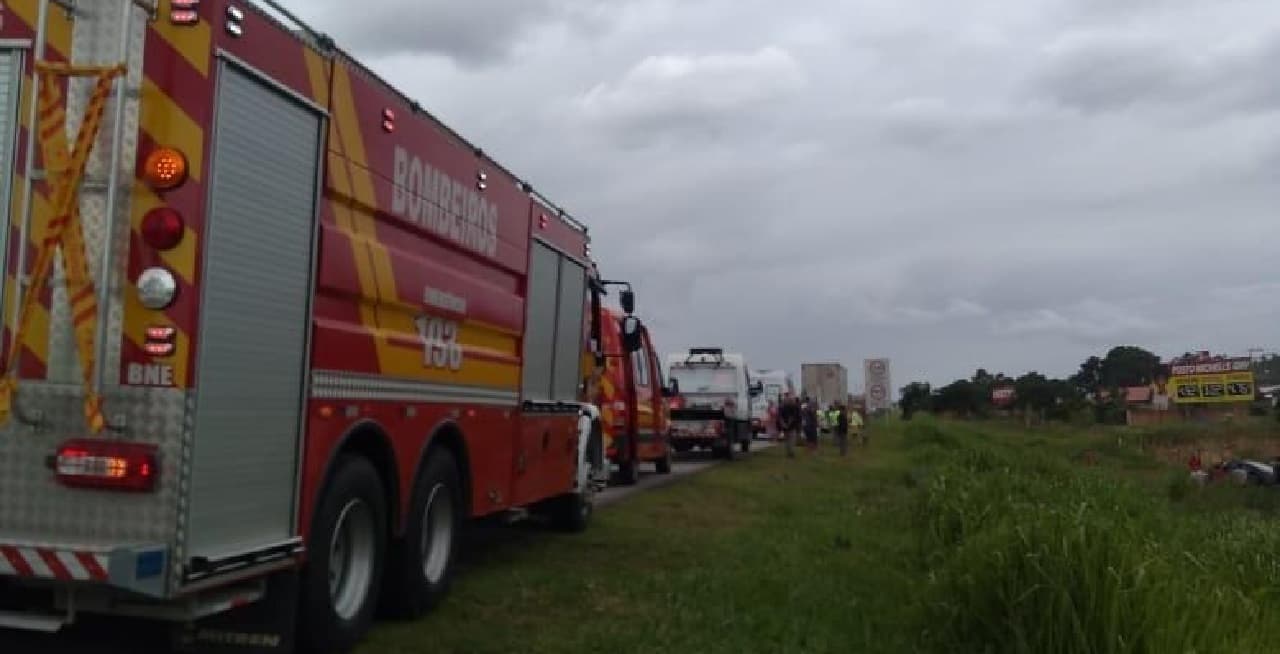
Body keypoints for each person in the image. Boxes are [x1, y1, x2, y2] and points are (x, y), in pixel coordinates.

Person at [777, 392, 801, 458]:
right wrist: (786, 424)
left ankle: (789, 452)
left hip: (787, 426)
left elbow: (780, 417)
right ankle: (790, 453)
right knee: (791, 440)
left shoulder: (782, 406)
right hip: (791, 426)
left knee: (788, 440)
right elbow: (793, 416)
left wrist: (783, 424)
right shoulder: (793, 406)